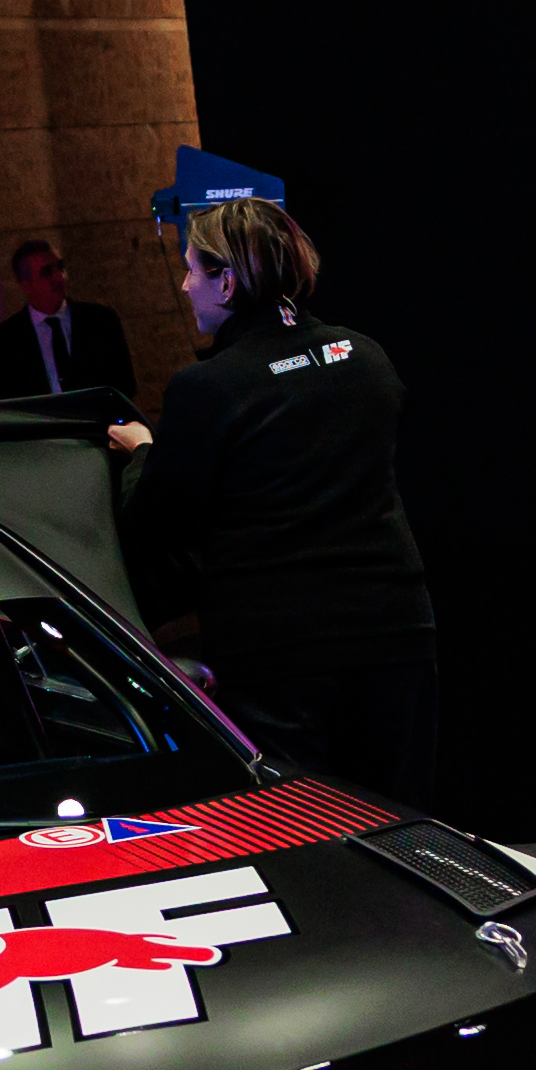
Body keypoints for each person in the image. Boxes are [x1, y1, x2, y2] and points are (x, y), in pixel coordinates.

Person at [105, 159, 439, 803]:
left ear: (228, 281)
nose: (185, 286)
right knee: (401, 823)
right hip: (396, 630)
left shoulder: (207, 388)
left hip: (281, 649)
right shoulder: (367, 356)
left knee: (307, 832)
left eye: (193, 269)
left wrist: (145, 450)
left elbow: (155, 524)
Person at [0, 237, 137, 405]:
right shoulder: (4, 342)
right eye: (46, 272)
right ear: (27, 286)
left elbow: (125, 386)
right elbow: (0, 404)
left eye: (60, 267)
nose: (59, 277)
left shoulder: (101, 322)